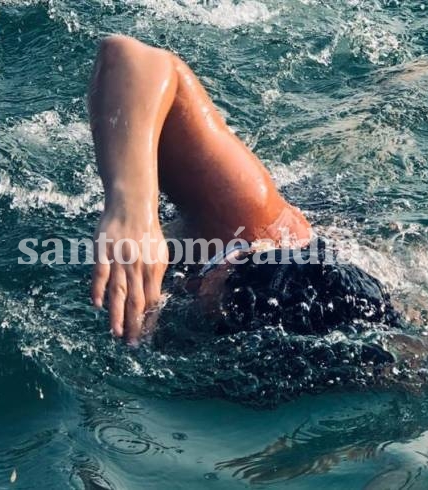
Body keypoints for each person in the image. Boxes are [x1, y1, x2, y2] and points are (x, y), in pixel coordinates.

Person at [87, 35, 397, 344]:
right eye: (214, 270)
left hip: (341, 287)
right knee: (367, 119)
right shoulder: (245, 222)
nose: (193, 284)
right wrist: (132, 208)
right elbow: (131, 57)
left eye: (207, 302)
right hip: (321, 204)